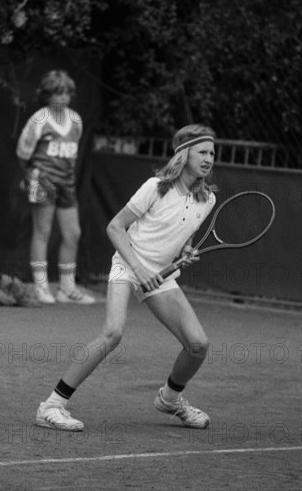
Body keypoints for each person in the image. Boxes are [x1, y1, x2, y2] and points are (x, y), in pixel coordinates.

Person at [35, 124, 217, 430]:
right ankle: (51, 406)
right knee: (113, 333)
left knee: (198, 344)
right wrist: (140, 269)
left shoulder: (206, 200)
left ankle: (170, 399)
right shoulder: (155, 187)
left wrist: (185, 253)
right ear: (184, 155)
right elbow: (115, 228)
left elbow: (182, 235)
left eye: (212, 152)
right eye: (202, 151)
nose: (209, 158)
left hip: (160, 276)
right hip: (128, 264)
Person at [16, 70, 95, 305]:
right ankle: (41, 287)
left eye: (67, 93)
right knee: (43, 231)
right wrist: (29, 175)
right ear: (47, 95)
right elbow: (23, 153)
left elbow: (72, 153)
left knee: (73, 233)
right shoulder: (39, 119)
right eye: (57, 93)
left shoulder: (76, 120)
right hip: (42, 180)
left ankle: (66, 288)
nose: (63, 97)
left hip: (67, 182)